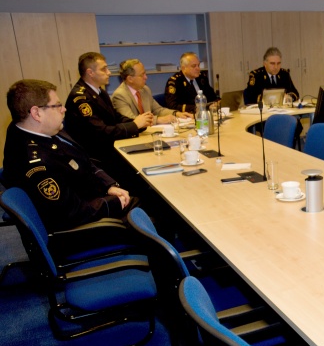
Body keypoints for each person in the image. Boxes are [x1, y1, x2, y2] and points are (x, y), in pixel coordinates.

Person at [3, 79, 138, 232]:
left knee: (140, 195)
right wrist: (113, 203)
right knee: (150, 208)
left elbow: (83, 160)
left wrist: (108, 186)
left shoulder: (38, 129)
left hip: (87, 195)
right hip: (82, 225)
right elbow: (71, 213)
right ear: (36, 113)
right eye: (57, 105)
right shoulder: (38, 164)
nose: (64, 109)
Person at [65, 52, 153, 168]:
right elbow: (100, 132)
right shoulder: (81, 98)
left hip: (107, 148)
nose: (109, 73)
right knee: (142, 163)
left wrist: (138, 122)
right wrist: (134, 125)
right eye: (104, 69)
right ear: (90, 73)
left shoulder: (100, 92)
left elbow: (115, 117)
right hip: (95, 157)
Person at [112, 59, 193, 123]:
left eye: (145, 73)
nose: (146, 77)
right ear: (130, 79)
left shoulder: (145, 89)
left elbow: (158, 110)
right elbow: (131, 120)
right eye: (142, 75)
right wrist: (158, 120)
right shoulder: (120, 95)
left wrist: (176, 113)